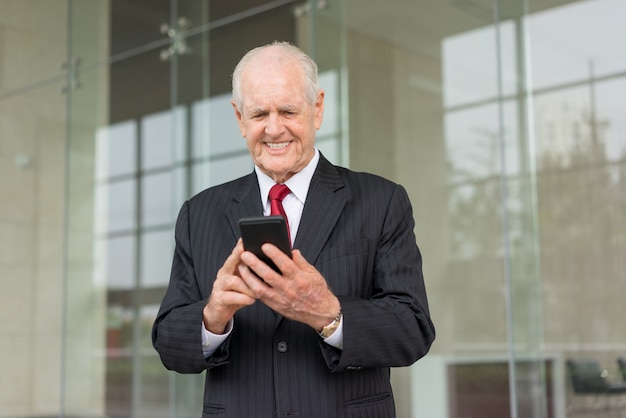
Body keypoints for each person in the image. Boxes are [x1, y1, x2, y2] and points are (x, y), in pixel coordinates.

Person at [152, 41, 435, 418]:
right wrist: (212, 316)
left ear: (317, 109)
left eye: (287, 110)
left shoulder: (381, 201)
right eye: (258, 114)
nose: (273, 128)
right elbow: (169, 344)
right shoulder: (198, 214)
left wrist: (327, 313)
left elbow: (412, 330)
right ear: (239, 119)